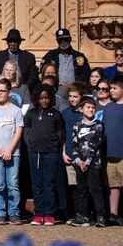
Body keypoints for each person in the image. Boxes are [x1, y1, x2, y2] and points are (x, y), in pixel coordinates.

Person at [0, 78, 24, 225]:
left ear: (9, 92)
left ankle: (13, 213)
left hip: (13, 153)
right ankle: (0, 213)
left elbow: (18, 133)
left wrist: (8, 151)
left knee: (13, 184)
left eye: (2, 90)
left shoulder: (16, 110)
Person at [25, 84, 63, 226]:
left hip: (51, 153)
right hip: (34, 153)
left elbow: (59, 134)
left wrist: (54, 147)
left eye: (46, 98)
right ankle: (38, 213)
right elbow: (26, 133)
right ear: (36, 98)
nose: (44, 101)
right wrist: (31, 144)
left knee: (49, 183)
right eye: (41, 98)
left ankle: (49, 214)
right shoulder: (31, 113)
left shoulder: (56, 114)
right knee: (37, 184)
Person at [70, 98, 106, 227]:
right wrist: (79, 161)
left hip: (94, 163)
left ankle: (100, 216)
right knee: (82, 190)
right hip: (80, 164)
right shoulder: (77, 125)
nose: (91, 110)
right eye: (88, 107)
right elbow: (74, 145)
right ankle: (84, 216)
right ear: (81, 109)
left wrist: (88, 161)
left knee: (95, 189)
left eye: (93, 107)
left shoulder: (99, 125)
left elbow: (95, 144)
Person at [103, 76, 123, 226]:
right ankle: (113, 213)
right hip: (110, 152)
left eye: (114, 88)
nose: (111, 91)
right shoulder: (108, 107)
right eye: (110, 88)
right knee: (112, 183)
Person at [61, 84, 84, 222]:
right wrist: (63, 152)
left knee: (86, 186)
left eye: (75, 97)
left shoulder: (86, 112)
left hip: (85, 155)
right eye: (70, 96)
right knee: (74, 186)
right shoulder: (65, 113)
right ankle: (77, 213)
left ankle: (87, 213)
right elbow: (63, 135)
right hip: (69, 154)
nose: (72, 99)